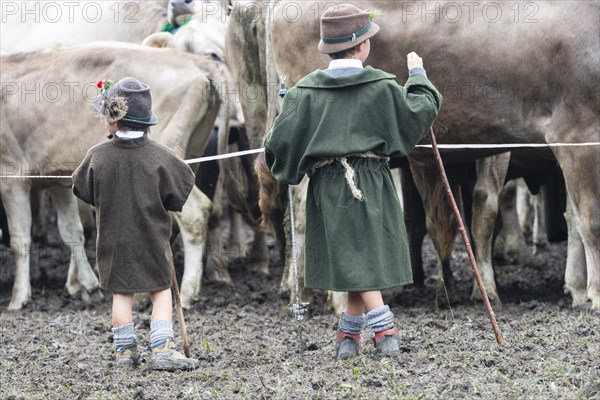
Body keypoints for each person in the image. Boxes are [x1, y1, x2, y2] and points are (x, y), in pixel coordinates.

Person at [263, 4, 443, 359]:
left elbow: (277, 148)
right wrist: (418, 74)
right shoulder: (383, 87)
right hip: (372, 183)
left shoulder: (305, 92)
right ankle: (385, 328)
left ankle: (348, 337)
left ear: (328, 49)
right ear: (361, 47)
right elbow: (419, 112)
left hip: (327, 187)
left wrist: (290, 112)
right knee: (360, 257)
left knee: (351, 256)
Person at [72, 77, 199, 370]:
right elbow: (181, 188)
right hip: (153, 238)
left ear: (114, 121)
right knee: (161, 290)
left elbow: (81, 189)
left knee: (122, 293)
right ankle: (163, 349)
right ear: (147, 122)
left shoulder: (96, 157)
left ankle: (125, 352)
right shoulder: (162, 157)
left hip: (113, 241)